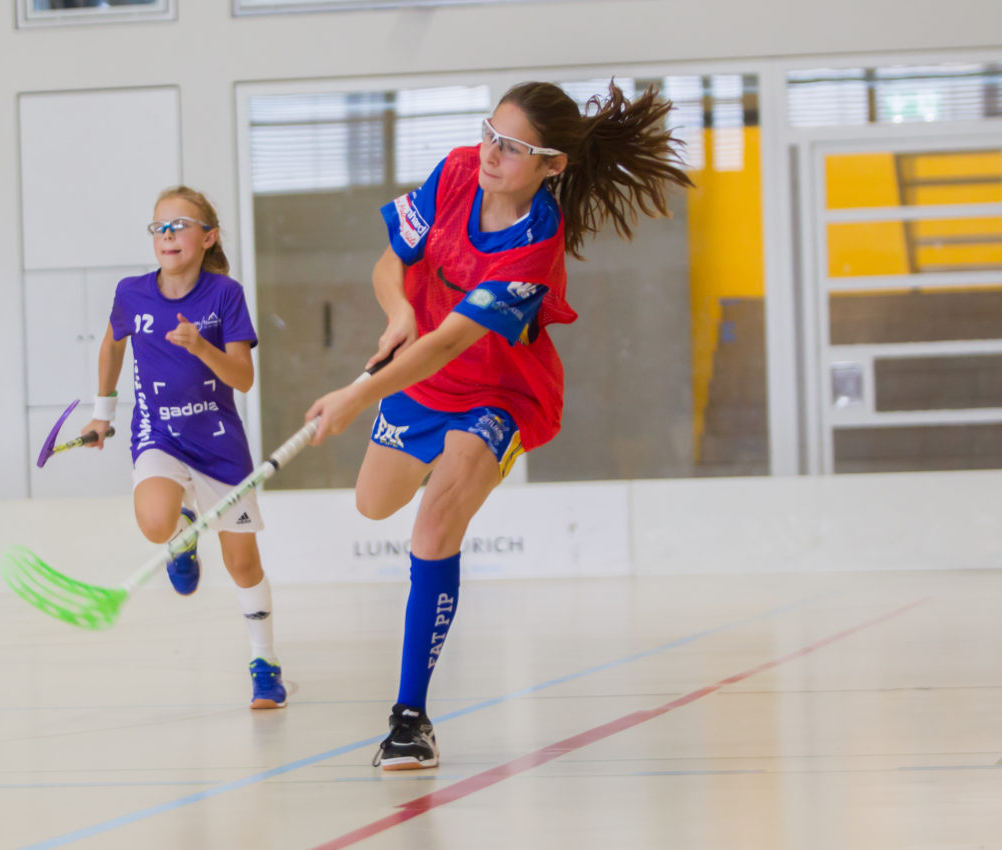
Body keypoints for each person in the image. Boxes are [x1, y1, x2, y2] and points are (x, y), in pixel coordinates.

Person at [305, 81, 694, 769]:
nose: (491, 153)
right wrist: (398, 310)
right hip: (421, 381)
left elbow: (451, 342)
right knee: (374, 503)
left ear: (552, 165)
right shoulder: (456, 170)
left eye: (512, 148)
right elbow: (390, 260)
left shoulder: (538, 241)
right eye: (490, 133)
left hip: (498, 392)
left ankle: (409, 717)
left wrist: (355, 395)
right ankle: (448, 471)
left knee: (433, 527)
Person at [79, 185, 287, 710]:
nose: (167, 235)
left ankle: (264, 663)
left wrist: (200, 346)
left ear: (207, 236)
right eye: (159, 227)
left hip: (219, 446)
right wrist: (103, 414)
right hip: (159, 434)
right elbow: (111, 343)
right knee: (154, 522)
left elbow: (243, 378)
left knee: (243, 565)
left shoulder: (225, 295)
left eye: (179, 225)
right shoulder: (131, 293)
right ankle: (182, 535)